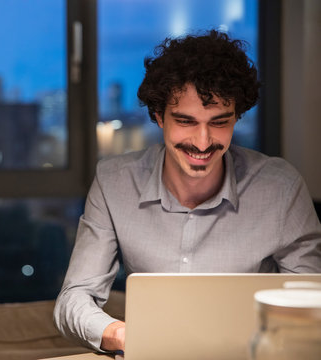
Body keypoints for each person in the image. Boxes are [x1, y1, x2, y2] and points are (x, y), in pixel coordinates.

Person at [53, 30, 321, 353]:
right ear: (158, 117)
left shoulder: (282, 189)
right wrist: (125, 336)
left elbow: (313, 304)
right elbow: (73, 299)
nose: (203, 142)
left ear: (237, 117)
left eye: (220, 122)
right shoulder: (115, 183)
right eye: (186, 121)